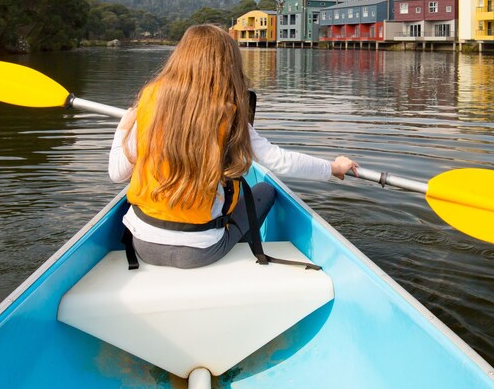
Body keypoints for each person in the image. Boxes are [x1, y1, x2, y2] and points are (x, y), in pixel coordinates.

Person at [108, 25, 357, 269]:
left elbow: (117, 174)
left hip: (143, 245)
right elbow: (280, 160)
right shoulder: (229, 115)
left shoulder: (149, 103)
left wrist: (124, 126)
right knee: (265, 191)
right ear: (227, 67)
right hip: (202, 252)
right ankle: (240, 254)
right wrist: (334, 167)